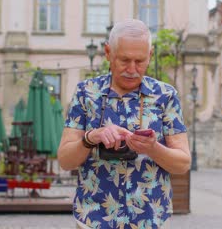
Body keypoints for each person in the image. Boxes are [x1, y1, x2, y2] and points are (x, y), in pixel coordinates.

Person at [58, 19, 191, 229]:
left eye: (140, 61)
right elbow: (65, 161)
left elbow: (183, 163)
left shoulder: (165, 95)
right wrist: (91, 138)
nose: (132, 69)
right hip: (93, 220)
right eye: (124, 60)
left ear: (150, 55)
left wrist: (153, 148)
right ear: (108, 53)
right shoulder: (86, 92)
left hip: (150, 220)